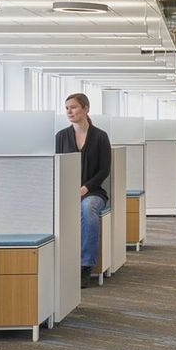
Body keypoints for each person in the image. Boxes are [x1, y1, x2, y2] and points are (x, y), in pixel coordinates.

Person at [55, 93, 111, 288]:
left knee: (87, 209)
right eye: (67, 108)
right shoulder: (61, 136)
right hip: (67, 190)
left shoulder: (100, 136)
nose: (69, 111)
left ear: (85, 109)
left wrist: (84, 188)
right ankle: (59, 264)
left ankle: (85, 265)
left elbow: (104, 169)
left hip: (94, 192)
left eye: (73, 107)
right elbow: (57, 166)